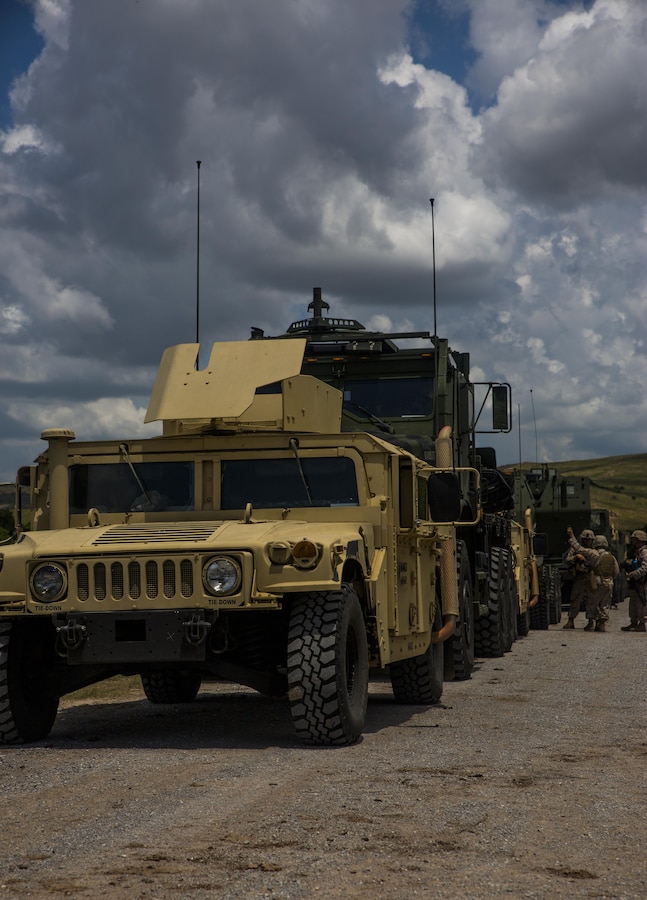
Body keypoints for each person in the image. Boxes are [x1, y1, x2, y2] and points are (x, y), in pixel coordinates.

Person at [563, 528, 596, 629]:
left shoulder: (594, 551)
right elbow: (567, 560)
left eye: (588, 540)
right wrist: (576, 557)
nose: (586, 541)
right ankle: (571, 620)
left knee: (592, 600)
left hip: (590, 576)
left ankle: (591, 621)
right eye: (584, 540)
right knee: (576, 599)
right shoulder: (575, 550)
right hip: (579, 577)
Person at [588, 535, 619, 632]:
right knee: (605, 603)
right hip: (608, 581)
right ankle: (602, 623)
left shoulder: (594, 555)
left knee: (593, 601)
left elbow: (589, 567)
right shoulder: (611, 557)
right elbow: (616, 571)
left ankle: (591, 622)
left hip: (596, 581)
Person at [621, 530, 647, 632]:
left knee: (641, 604)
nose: (632, 542)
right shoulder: (637, 552)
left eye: (634, 540)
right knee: (633, 603)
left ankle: (641, 623)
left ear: (639, 540)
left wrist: (633, 574)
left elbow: (645, 569)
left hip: (642, 583)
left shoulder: (644, 553)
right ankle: (634, 622)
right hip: (636, 583)